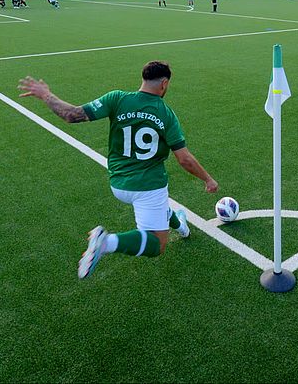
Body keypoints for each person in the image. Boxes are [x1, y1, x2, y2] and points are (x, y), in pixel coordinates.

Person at [17, 61, 219, 279]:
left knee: (162, 208)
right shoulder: (166, 113)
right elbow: (184, 159)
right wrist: (208, 179)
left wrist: (46, 95)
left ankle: (181, 227)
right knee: (157, 244)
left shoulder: (117, 98)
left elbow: (72, 115)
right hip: (148, 187)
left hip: (119, 184)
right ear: (164, 83)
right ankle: (106, 242)